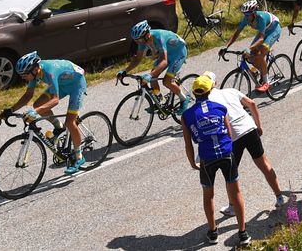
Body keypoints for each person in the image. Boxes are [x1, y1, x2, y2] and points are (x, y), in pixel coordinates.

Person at [181, 74, 250, 247]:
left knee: (208, 195)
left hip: (206, 157)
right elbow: (229, 133)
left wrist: (191, 162)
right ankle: (243, 233)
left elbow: (188, 145)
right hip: (226, 154)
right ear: (210, 90)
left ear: (194, 94)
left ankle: (212, 233)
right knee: (236, 192)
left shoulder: (187, 115)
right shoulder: (220, 108)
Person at [208, 72, 286, 214]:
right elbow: (252, 103)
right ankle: (279, 196)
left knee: (230, 174)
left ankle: (232, 206)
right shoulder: (230, 91)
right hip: (249, 128)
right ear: (216, 83)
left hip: (233, 136)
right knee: (264, 164)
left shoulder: (208, 102)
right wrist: (258, 125)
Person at [1, 52, 89, 174]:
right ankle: (59, 127)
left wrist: (35, 112)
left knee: (70, 122)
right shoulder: (35, 72)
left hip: (76, 84)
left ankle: (79, 157)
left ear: (35, 69)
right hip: (62, 84)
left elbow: (55, 100)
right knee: (37, 104)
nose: (23, 77)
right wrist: (10, 110)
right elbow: (28, 95)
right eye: (21, 75)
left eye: (25, 75)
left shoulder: (49, 71)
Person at [119, 19, 190, 112]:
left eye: (139, 39)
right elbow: (137, 59)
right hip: (166, 54)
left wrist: (150, 75)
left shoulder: (159, 36)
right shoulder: (143, 41)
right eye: (136, 40)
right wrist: (125, 71)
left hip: (178, 54)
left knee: (166, 81)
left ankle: (184, 99)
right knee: (153, 78)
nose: (138, 42)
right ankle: (159, 100)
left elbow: (164, 61)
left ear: (147, 35)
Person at [225, 1, 281, 93]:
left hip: (273, 30)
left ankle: (266, 82)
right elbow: (236, 33)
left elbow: (261, 39)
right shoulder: (246, 19)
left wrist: (251, 48)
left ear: (254, 13)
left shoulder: (261, 18)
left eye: (248, 15)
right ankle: (260, 71)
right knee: (250, 55)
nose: (246, 17)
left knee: (260, 54)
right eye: (245, 15)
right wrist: (226, 47)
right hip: (263, 31)